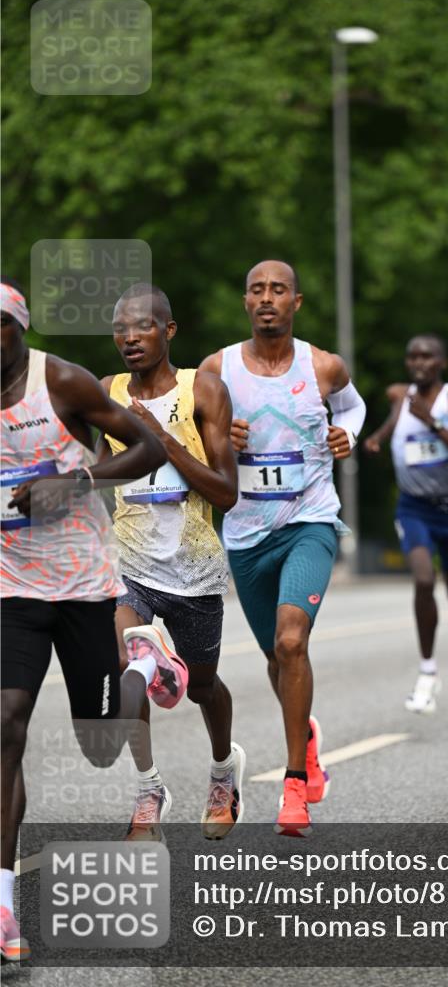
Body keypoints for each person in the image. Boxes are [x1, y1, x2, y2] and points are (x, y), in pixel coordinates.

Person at [0, 278, 171, 962]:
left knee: (101, 744)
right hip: (11, 584)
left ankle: (147, 664)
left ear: (19, 329)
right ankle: (5, 906)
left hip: (83, 582)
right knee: (5, 722)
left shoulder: (61, 382)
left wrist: (76, 482)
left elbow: (150, 449)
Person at [199, 260, 366, 837]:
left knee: (292, 640)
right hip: (246, 533)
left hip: (309, 520)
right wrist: (218, 436)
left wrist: (350, 435)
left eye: (278, 290)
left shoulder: (322, 365)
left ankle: (294, 784)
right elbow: (193, 433)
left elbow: (352, 407)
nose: (266, 298)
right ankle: (308, 735)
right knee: (276, 655)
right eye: (256, 290)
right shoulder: (217, 369)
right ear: (245, 302)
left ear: (297, 301)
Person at [97, 283, 244, 842]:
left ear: (169, 330)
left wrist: (162, 441)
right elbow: (101, 464)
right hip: (129, 559)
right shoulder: (107, 393)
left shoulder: (203, 390)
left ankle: (224, 771)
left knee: (204, 686)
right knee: (127, 663)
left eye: (142, 326)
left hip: (195, 563)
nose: (130, 338)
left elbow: (225, 492)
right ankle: (148, 789)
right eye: (120, 329)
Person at [364, 334, 448, 714]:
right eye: (413, 356)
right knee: (423, 580)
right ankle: (428, 672)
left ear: (442, 362)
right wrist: (377, 439)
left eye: (427, 356)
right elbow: (392, 418)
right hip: (413, 508)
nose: (419, 363)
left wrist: (434, 424)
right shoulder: (403, 399)